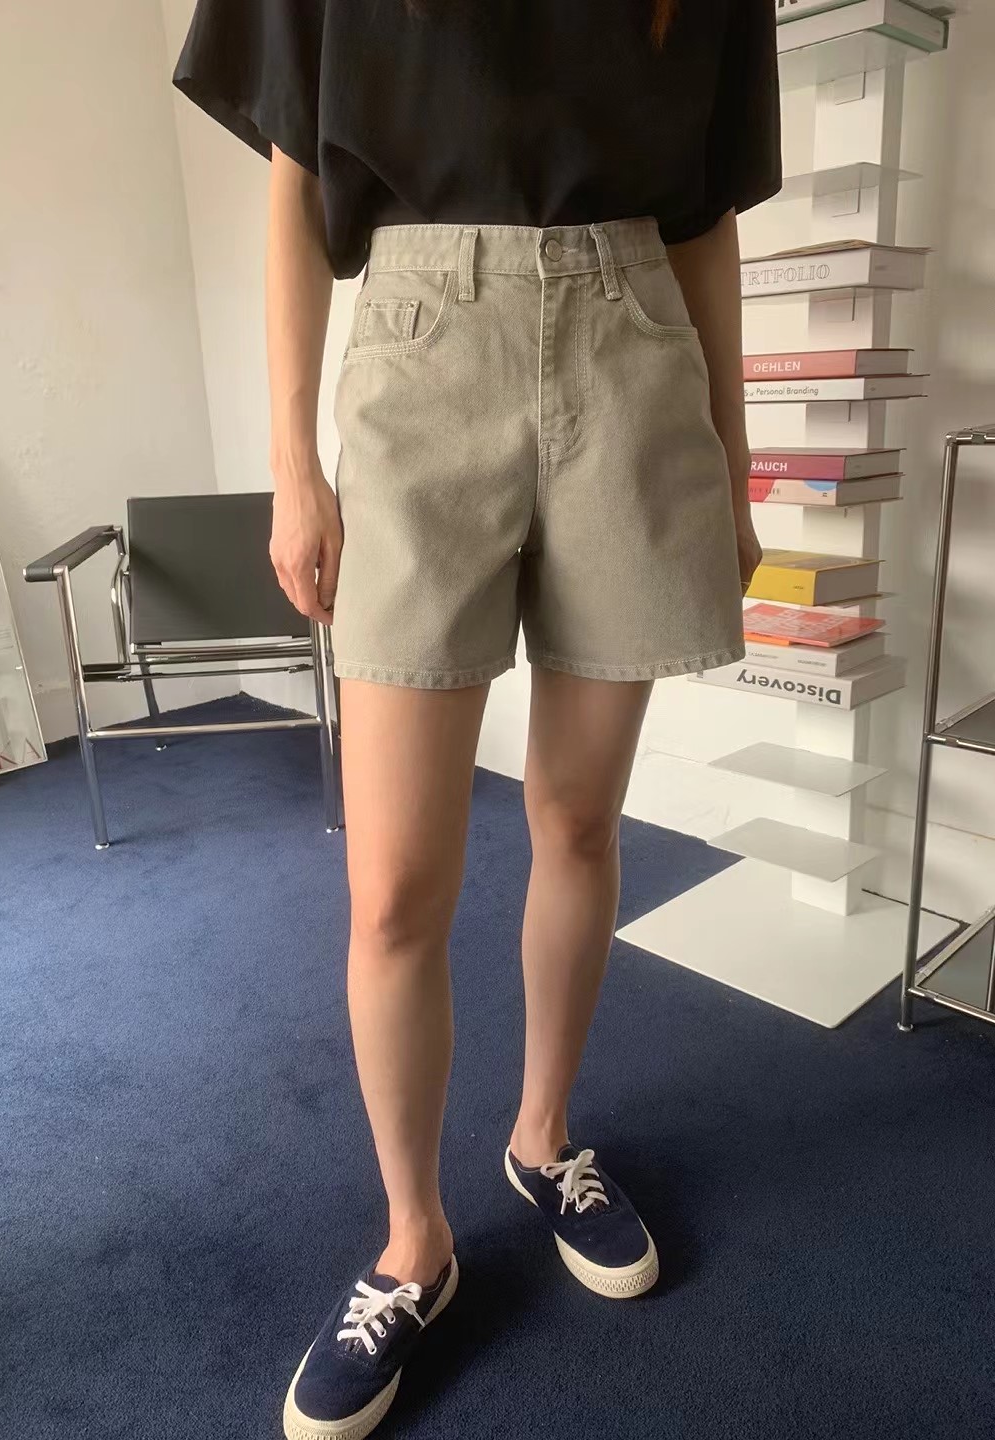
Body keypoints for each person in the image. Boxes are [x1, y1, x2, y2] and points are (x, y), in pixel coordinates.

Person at [174, 1, 780, 1435]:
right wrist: (292, 465)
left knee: (578, 815)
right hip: (418, 343)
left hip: (634, 349)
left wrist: (731, 455)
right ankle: (413, 1244)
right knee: (394, 886)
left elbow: (702, 214)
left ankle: (542, 1138)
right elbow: (296, 174)